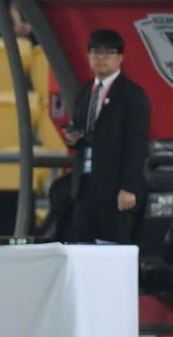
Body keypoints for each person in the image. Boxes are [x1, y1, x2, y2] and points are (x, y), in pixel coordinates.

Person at [61, 27, 151, 244]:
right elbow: (82, 132)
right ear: (88, 56)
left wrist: (129, 187)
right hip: (84, 183)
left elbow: (137, 144)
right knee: (81, 246)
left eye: (108, 52)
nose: (101, 58)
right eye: (95, 52)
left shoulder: (132, 94)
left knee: (113, 248)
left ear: (120, 57)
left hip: (116, 186)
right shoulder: (84, 92)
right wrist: (73, 138)